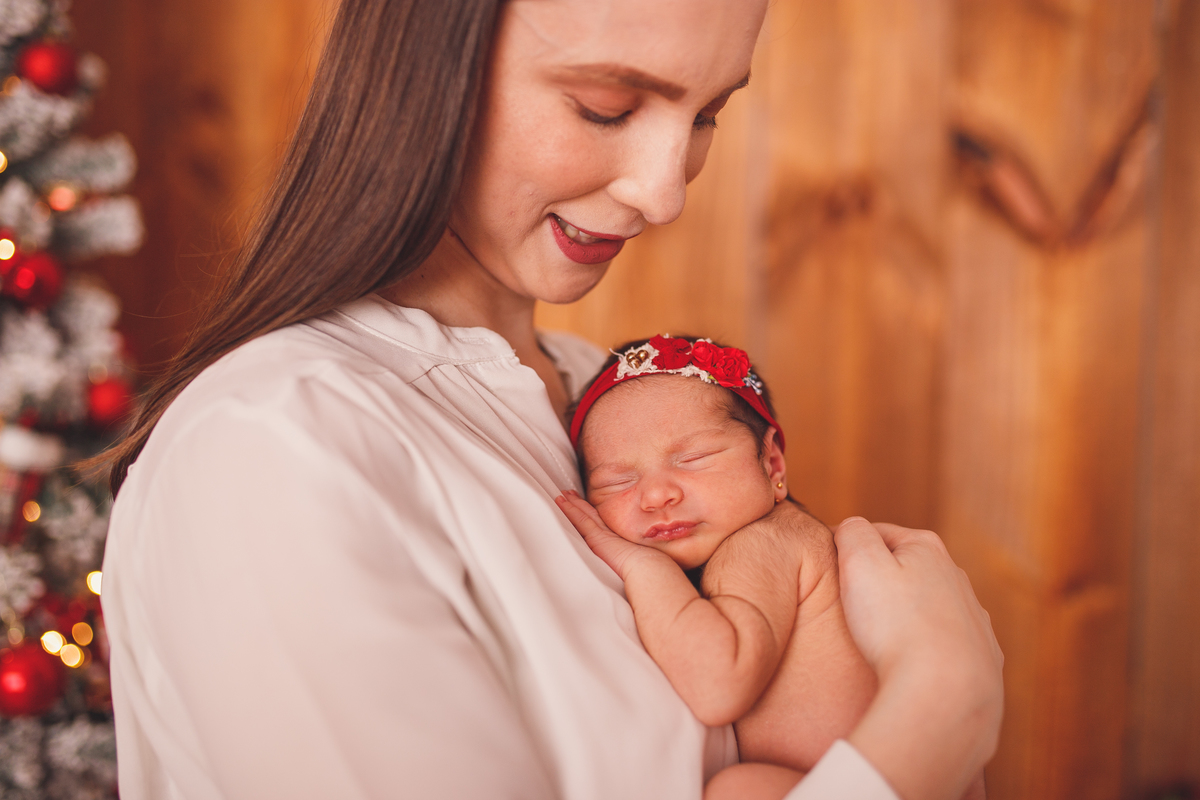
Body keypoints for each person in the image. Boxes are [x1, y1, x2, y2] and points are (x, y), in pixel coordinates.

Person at [99, 1, 1004, 799]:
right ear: (428, 74)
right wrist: (930, 721)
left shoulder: (608, 400)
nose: (664, 191)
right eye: (604, 106)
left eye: (708, 113)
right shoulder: (277, 450)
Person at [557, 335, 987, 800]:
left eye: (694, 459)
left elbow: (717, 684)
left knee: (738, 790)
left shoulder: (764, 541)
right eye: (616, 481)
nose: (656, 495)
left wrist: (641, 566)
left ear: (772, 461)